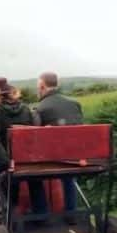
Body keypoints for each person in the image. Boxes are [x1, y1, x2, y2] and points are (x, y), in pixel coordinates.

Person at [0, 78, 48, 220]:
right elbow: (36, 128)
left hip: (10, 159)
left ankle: (2, 207)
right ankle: (42, 217)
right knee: (35, 179)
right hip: (28, 158)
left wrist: (6, 160)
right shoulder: (25, 109)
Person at [35, 72, 83, 223]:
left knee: (34, 178)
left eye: (38, 86)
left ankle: (42, 216)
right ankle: (71, 214)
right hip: (75, 156)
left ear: (42, 86)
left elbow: (35, 136)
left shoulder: (40, 108)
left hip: (51, 157)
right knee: (69, 177)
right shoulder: (74, 103)